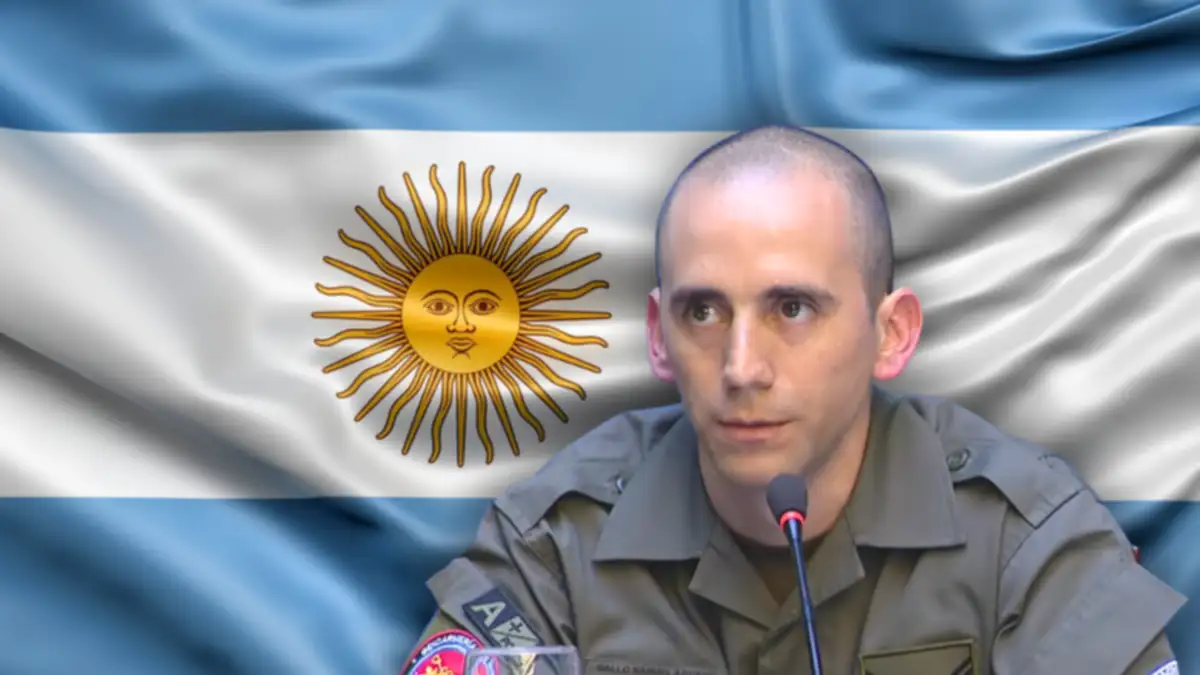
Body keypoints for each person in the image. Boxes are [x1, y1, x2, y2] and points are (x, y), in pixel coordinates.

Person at [401, 125, 1185, 675]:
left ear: (891, 333)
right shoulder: (557, 544)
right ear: (659, 337)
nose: (742, 366)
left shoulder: (1024, 539)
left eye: (793, 308)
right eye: (703, 312)